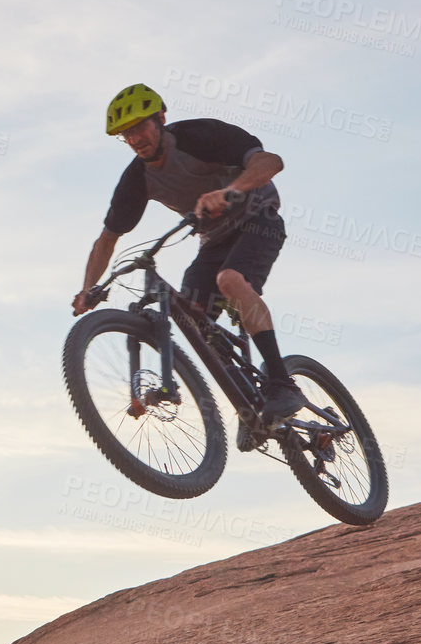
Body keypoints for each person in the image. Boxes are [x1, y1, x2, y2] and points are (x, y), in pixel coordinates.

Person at [73, 83, 308, 422]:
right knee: (192, 319)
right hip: (213, 239)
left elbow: (270, 162)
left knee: (230, 280)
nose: (135, 139)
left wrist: (230, 191)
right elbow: (107, 239)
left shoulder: (199, 135)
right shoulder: (137, 178)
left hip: (258, 217)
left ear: (161, 118)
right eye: (126, 134)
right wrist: (87, 289)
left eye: (139, 127)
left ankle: (283, 385)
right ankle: (252, 405)